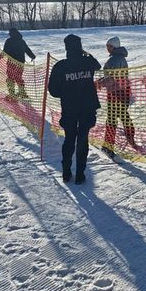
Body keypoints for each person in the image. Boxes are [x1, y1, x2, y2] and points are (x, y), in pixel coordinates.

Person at [48, 34, 101, 184]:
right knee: (83, 140)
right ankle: (79, 175)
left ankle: (66, 173)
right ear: (80, 46)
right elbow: (97, 65)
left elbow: (53, 90)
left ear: (66, 48)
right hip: (87, 107)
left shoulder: (60, 66)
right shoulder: (88, 61)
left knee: (69, 139)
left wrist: (66, 92)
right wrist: (85, 54)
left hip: (69, 108)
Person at [98, 36, 137, 157]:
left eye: (109, 46)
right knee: (123, 115)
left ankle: (108, 146)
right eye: (107, 46)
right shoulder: (121, 58)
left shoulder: (113, 60)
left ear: (114, 47)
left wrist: (99, 83)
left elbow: (111, 79)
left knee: (111, 119)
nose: (107, 48)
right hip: (123, 92)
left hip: (115, 93)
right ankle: (130, 135)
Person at [2, 27, 36, 99]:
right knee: (18, 77)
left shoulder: (9, 41)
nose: (9, 34)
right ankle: (22, 92)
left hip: (11, 62)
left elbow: (5, 51)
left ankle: (12, 94)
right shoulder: (21, 41)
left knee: (10, 77)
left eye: (10, 33)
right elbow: (27, 49)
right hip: (20, 63)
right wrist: (32, 56)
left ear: (11, 33)